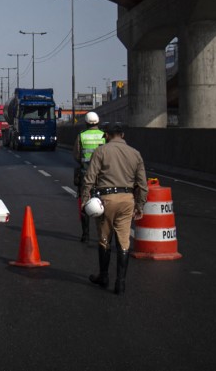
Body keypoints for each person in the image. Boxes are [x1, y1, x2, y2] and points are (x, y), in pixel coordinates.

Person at [79, 122, 147, 295]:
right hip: (127, 200)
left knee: (104, 239)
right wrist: (139, 205)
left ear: (107, 135)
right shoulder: (135, 153)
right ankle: (121, 283)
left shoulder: (101, 151)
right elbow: (142, 185)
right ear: (122, 135)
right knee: (123, 241)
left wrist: (85, 200)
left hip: (106, 199)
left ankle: (104, 277)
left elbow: (89, 178)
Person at [73, 112, 105, 242]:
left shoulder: (82, 136)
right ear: (98, 122)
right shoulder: (104, 135)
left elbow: (76, 155)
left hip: (85, 174)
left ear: (86, 122)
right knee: (103, 203)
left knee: (84, 203)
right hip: (102, 176)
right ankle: (103, 235)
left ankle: (85, 235)